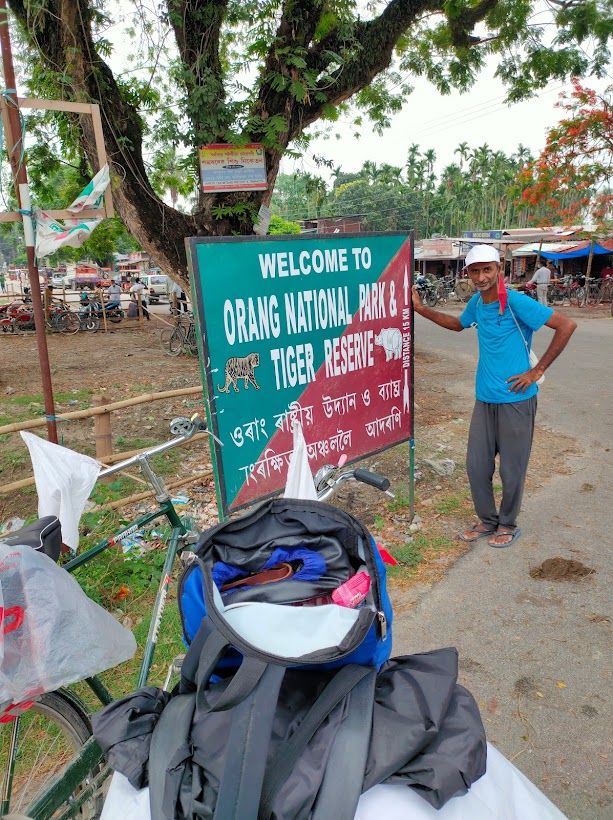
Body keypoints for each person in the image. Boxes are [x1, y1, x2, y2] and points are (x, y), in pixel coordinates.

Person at [412, 244, 576, 548]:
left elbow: (566, 325)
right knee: (476, 465)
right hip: (485, 398)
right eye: (475, 270)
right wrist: (421, 309)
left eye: (487, 269)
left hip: (517, 399)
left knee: (512, 469)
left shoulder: (515, 302)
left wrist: (536, 370)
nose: (481, 276)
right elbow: (458, 325)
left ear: (498, 270)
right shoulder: (477, 302)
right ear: (469, 274)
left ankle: (508, 523)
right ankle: (487, 521)